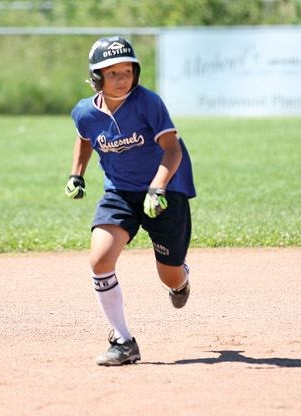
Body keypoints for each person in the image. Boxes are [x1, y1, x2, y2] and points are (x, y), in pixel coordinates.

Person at [65, 36, 196, 366]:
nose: (122, 78)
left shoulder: (148, 103)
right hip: (120, 192)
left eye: (128, 71)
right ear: (97, 79)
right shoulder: (84, 112)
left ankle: (181, 279)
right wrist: (76, 174)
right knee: (100, 259)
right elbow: (85, 140)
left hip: (167, 190)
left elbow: (173, 150)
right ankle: (123, 341)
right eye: (112, 73)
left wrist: (157, 188)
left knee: (170, 276)